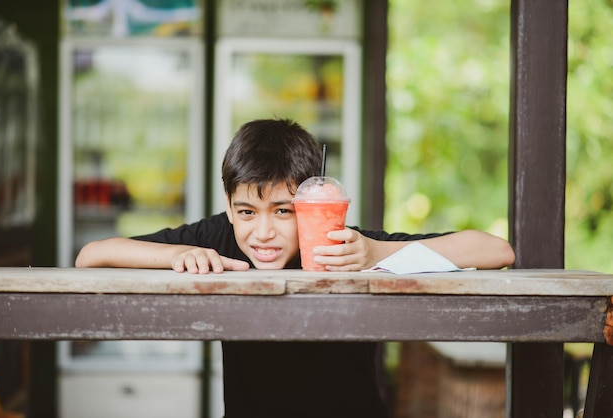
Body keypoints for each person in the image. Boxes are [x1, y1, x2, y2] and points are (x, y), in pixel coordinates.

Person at [76, 118, 515, 418]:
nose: (262, 232)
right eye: (247, 211)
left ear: (309, 204)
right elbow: (92, 254)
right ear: (228, 207)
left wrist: (374, 254)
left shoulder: (343, 244)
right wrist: (175, 256)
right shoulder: (220, 238)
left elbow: (496, 251)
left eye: (283, 212)